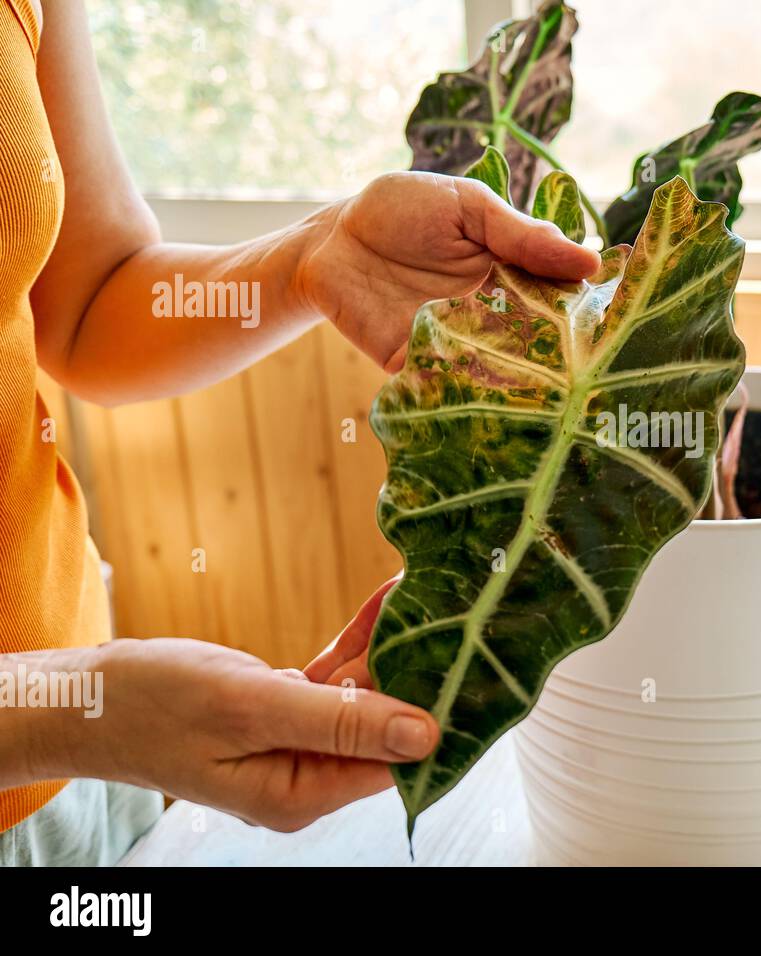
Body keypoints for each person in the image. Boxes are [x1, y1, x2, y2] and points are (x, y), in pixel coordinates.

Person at [0, 0, 600, 865]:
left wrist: (314, 255)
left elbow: (89, 302)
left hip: (84, 769)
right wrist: (78, 709)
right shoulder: (97, 711)